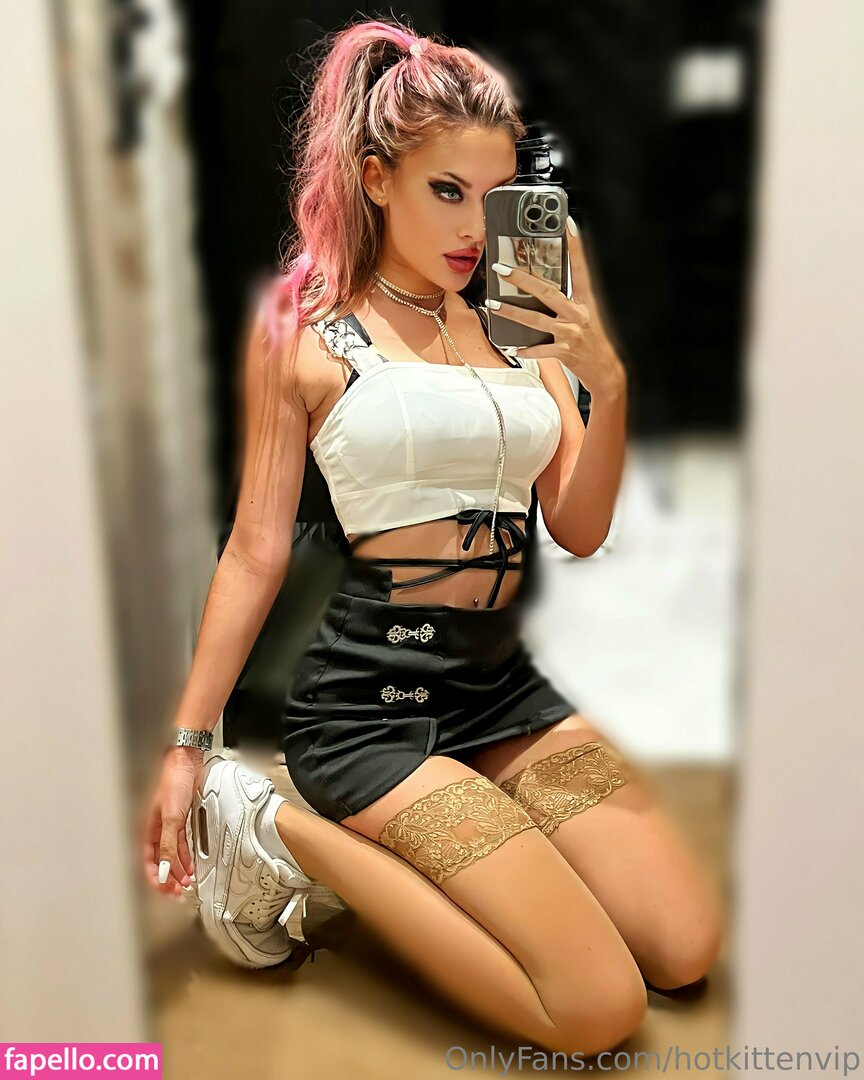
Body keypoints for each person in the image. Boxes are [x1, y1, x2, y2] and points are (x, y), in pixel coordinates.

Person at [142, 17, 724, 1057]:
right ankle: (273, 825)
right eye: (445, 191)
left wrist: (607, 379)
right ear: (376, 178)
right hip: (372, 708)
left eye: (490, 198)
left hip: (501, 694)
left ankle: (479, 829)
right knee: (595, 1010)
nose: (471, 230)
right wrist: (189, 746)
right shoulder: (306, 333)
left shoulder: (519, 330)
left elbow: (578, 526)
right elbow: (255, 552)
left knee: (684, 950)